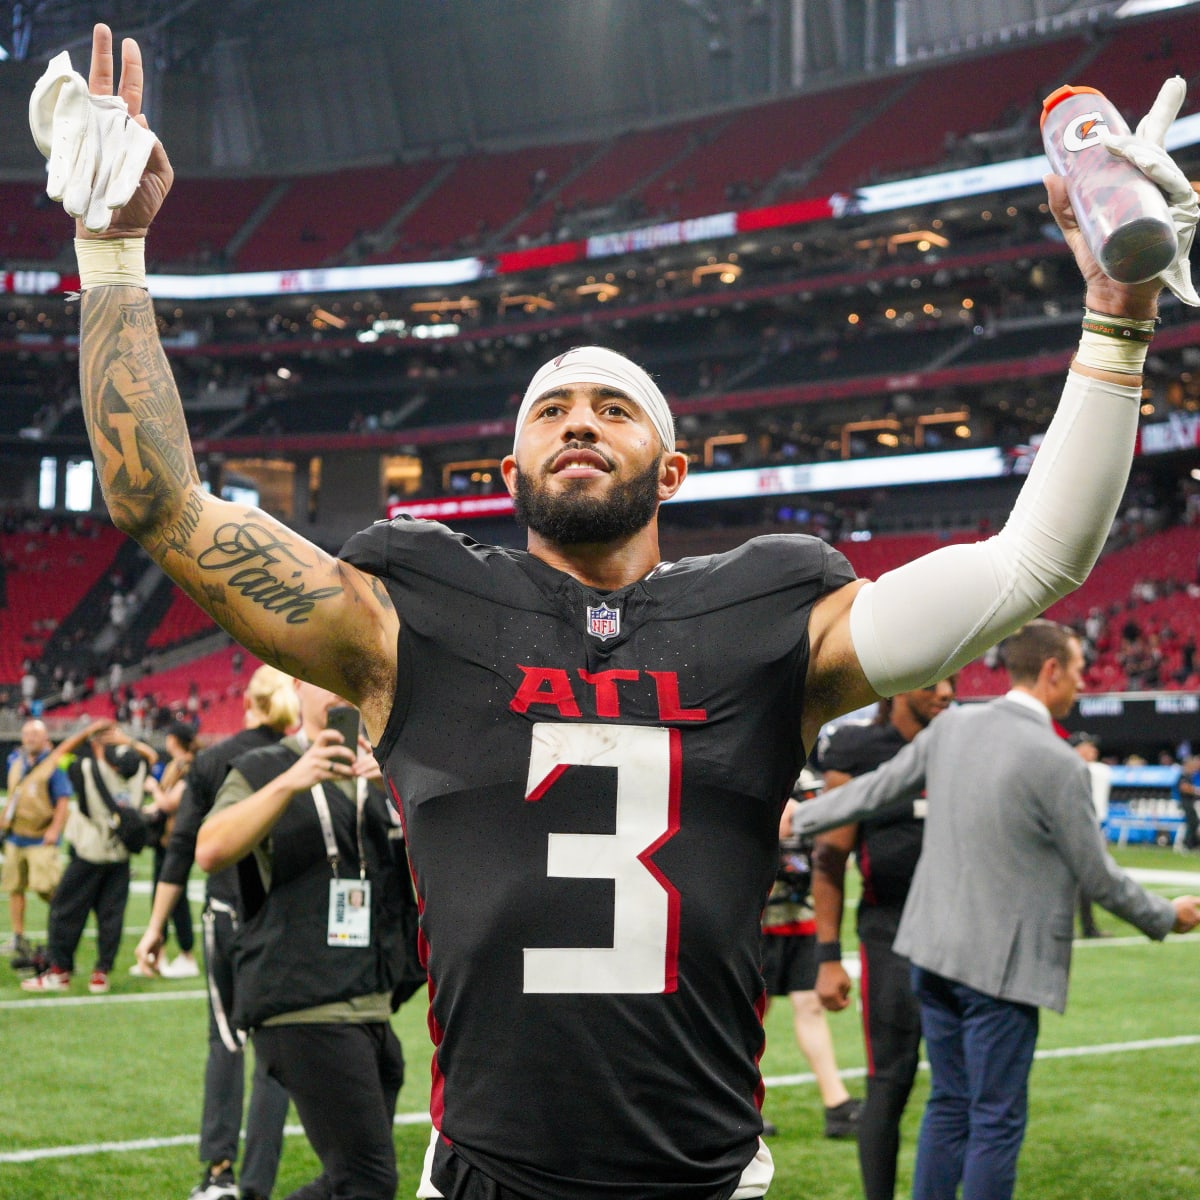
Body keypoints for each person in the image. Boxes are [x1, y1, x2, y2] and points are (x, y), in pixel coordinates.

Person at [46, 24, 1200, 1196]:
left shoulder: (773, 615)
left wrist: (1117, 313)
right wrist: (111, 250)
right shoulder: (414, 611)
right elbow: (162, 505)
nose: (580, 421)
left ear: (674, 467)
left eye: (613, 406)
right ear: (509, 477)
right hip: (491, 1172)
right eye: (550, 411)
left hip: (702, 1177)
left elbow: (1034, 563)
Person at [792, 621, 1200, 1200]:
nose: (1082, 684)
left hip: (929, 955)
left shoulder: (953, 726)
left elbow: (875, 789)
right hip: (1000, 969)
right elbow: (1098, 876)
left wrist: (796, 817)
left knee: (948, 1104)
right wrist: (1168, 916)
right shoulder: (1058, 762)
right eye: (1079, 671)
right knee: (995, 1120)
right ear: (1051, 671)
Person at [195, 682, 416, 1200]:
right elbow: (210, 848)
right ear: (295, 686)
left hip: (370, 1001)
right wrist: (292, 782)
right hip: (305, 999)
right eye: (322, 677)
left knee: (345, 1182)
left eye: (347, 676)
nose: (337, 689)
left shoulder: (386, 771)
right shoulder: (266, 765)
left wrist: (397, 794)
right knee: (369, 1182)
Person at [135, 666, 298, 1200]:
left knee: (226, 1042)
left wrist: (156, 928)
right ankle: (256, 1183)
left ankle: (219, 1173)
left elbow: (182, 849)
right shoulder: (303, 760)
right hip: (285, 922)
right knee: (276, 1056)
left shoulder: (210, 760)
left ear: (248, 702)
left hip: (227, 915)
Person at [811, 679, 956, 1200]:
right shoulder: (859, 749)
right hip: (890, 931)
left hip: (959, 934)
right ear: (899, 685)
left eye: (952, 680)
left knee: (961, 1086)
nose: (945, 690)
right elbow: (830, 856)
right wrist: (828, 957)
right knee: (890, 1083)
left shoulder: (958, 742)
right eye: (933, 680)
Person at [760, 767, 862, 1139]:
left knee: (810, 1004)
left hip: (799, 911)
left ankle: (836, 1104)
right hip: (755, 913)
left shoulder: (809, 775)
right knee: (752, 1012)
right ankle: (737, 1104)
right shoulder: (753, 761)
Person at [22, 723, 153, 994]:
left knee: (64, 911)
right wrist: (126, 740)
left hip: (88, 855)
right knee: (111, 918)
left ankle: (59, 971)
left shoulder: (87, 768)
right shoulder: (138, 768)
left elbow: (54, 759)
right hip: (120, 857)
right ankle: (101, 973)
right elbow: (151, 756)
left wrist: (85, 733)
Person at [2, 717, 107, 959]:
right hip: (15, 835)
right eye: (26, 734)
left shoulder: (52, 765)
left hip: (40, 837)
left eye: (35, 734)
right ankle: (18, 937)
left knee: (46, 887)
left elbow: (62, 800)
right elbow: (14, 796)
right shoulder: (16, 762)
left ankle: (67, 924)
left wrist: (54, 830)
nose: (29, 738)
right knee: (14, 888)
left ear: (45, 739)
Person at [138, 718, 201, 976]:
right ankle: (158, 955)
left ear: (173, 740)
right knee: (161, 897)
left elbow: (171, 803)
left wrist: (153, 790)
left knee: (176, 900)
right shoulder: (176, 765)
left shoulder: (190, 767)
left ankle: (186, 955)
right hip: (166, 839)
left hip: (179, 839)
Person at [1068, 730, 1113, 937]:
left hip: (1093, 826)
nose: (1093, 750)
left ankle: (1088, 926)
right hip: (1071, 827)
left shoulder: (1099, 770)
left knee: (1087, 880)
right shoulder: (1067, 769)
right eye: (1088, 746)